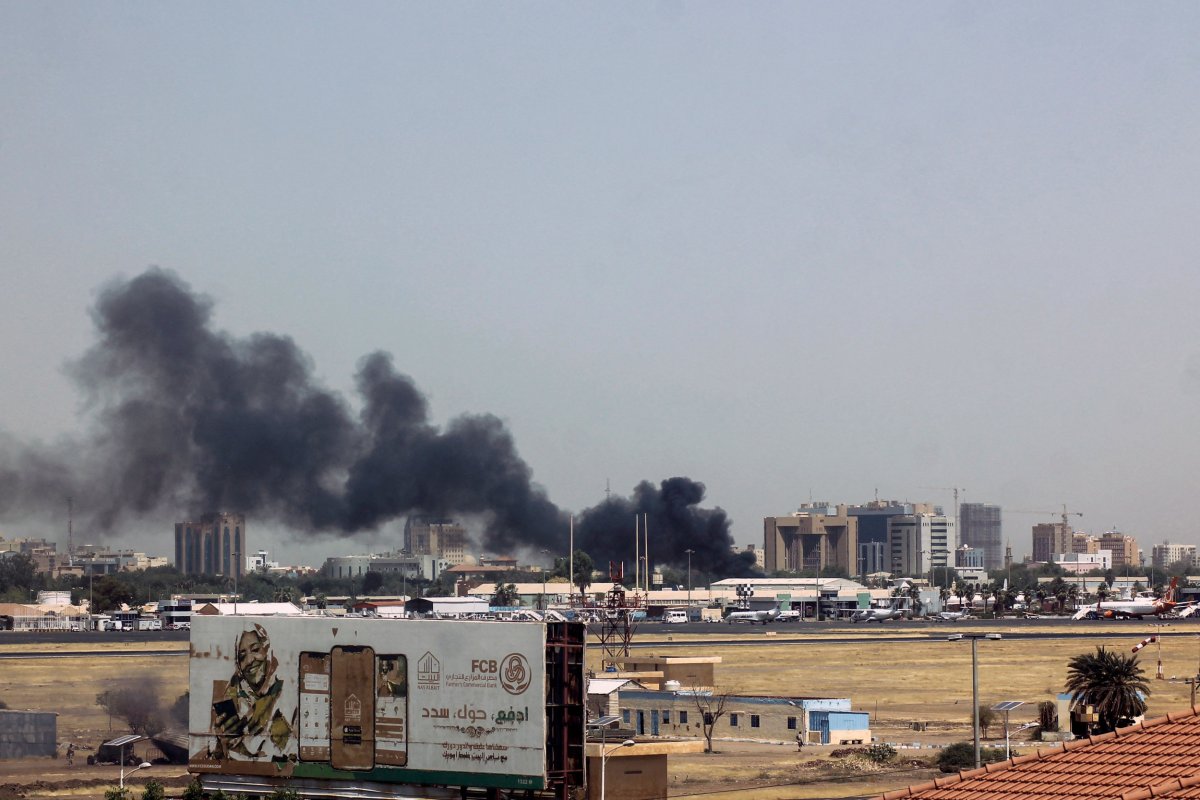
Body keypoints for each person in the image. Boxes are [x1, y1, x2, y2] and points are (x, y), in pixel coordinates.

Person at [210, 624, 294, 761]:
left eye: (255, 650)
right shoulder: (231, 693)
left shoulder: (287, 689)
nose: (249, 661)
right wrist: (221, 741)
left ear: (266, 649)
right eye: (242, 656)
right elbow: (218, 757)